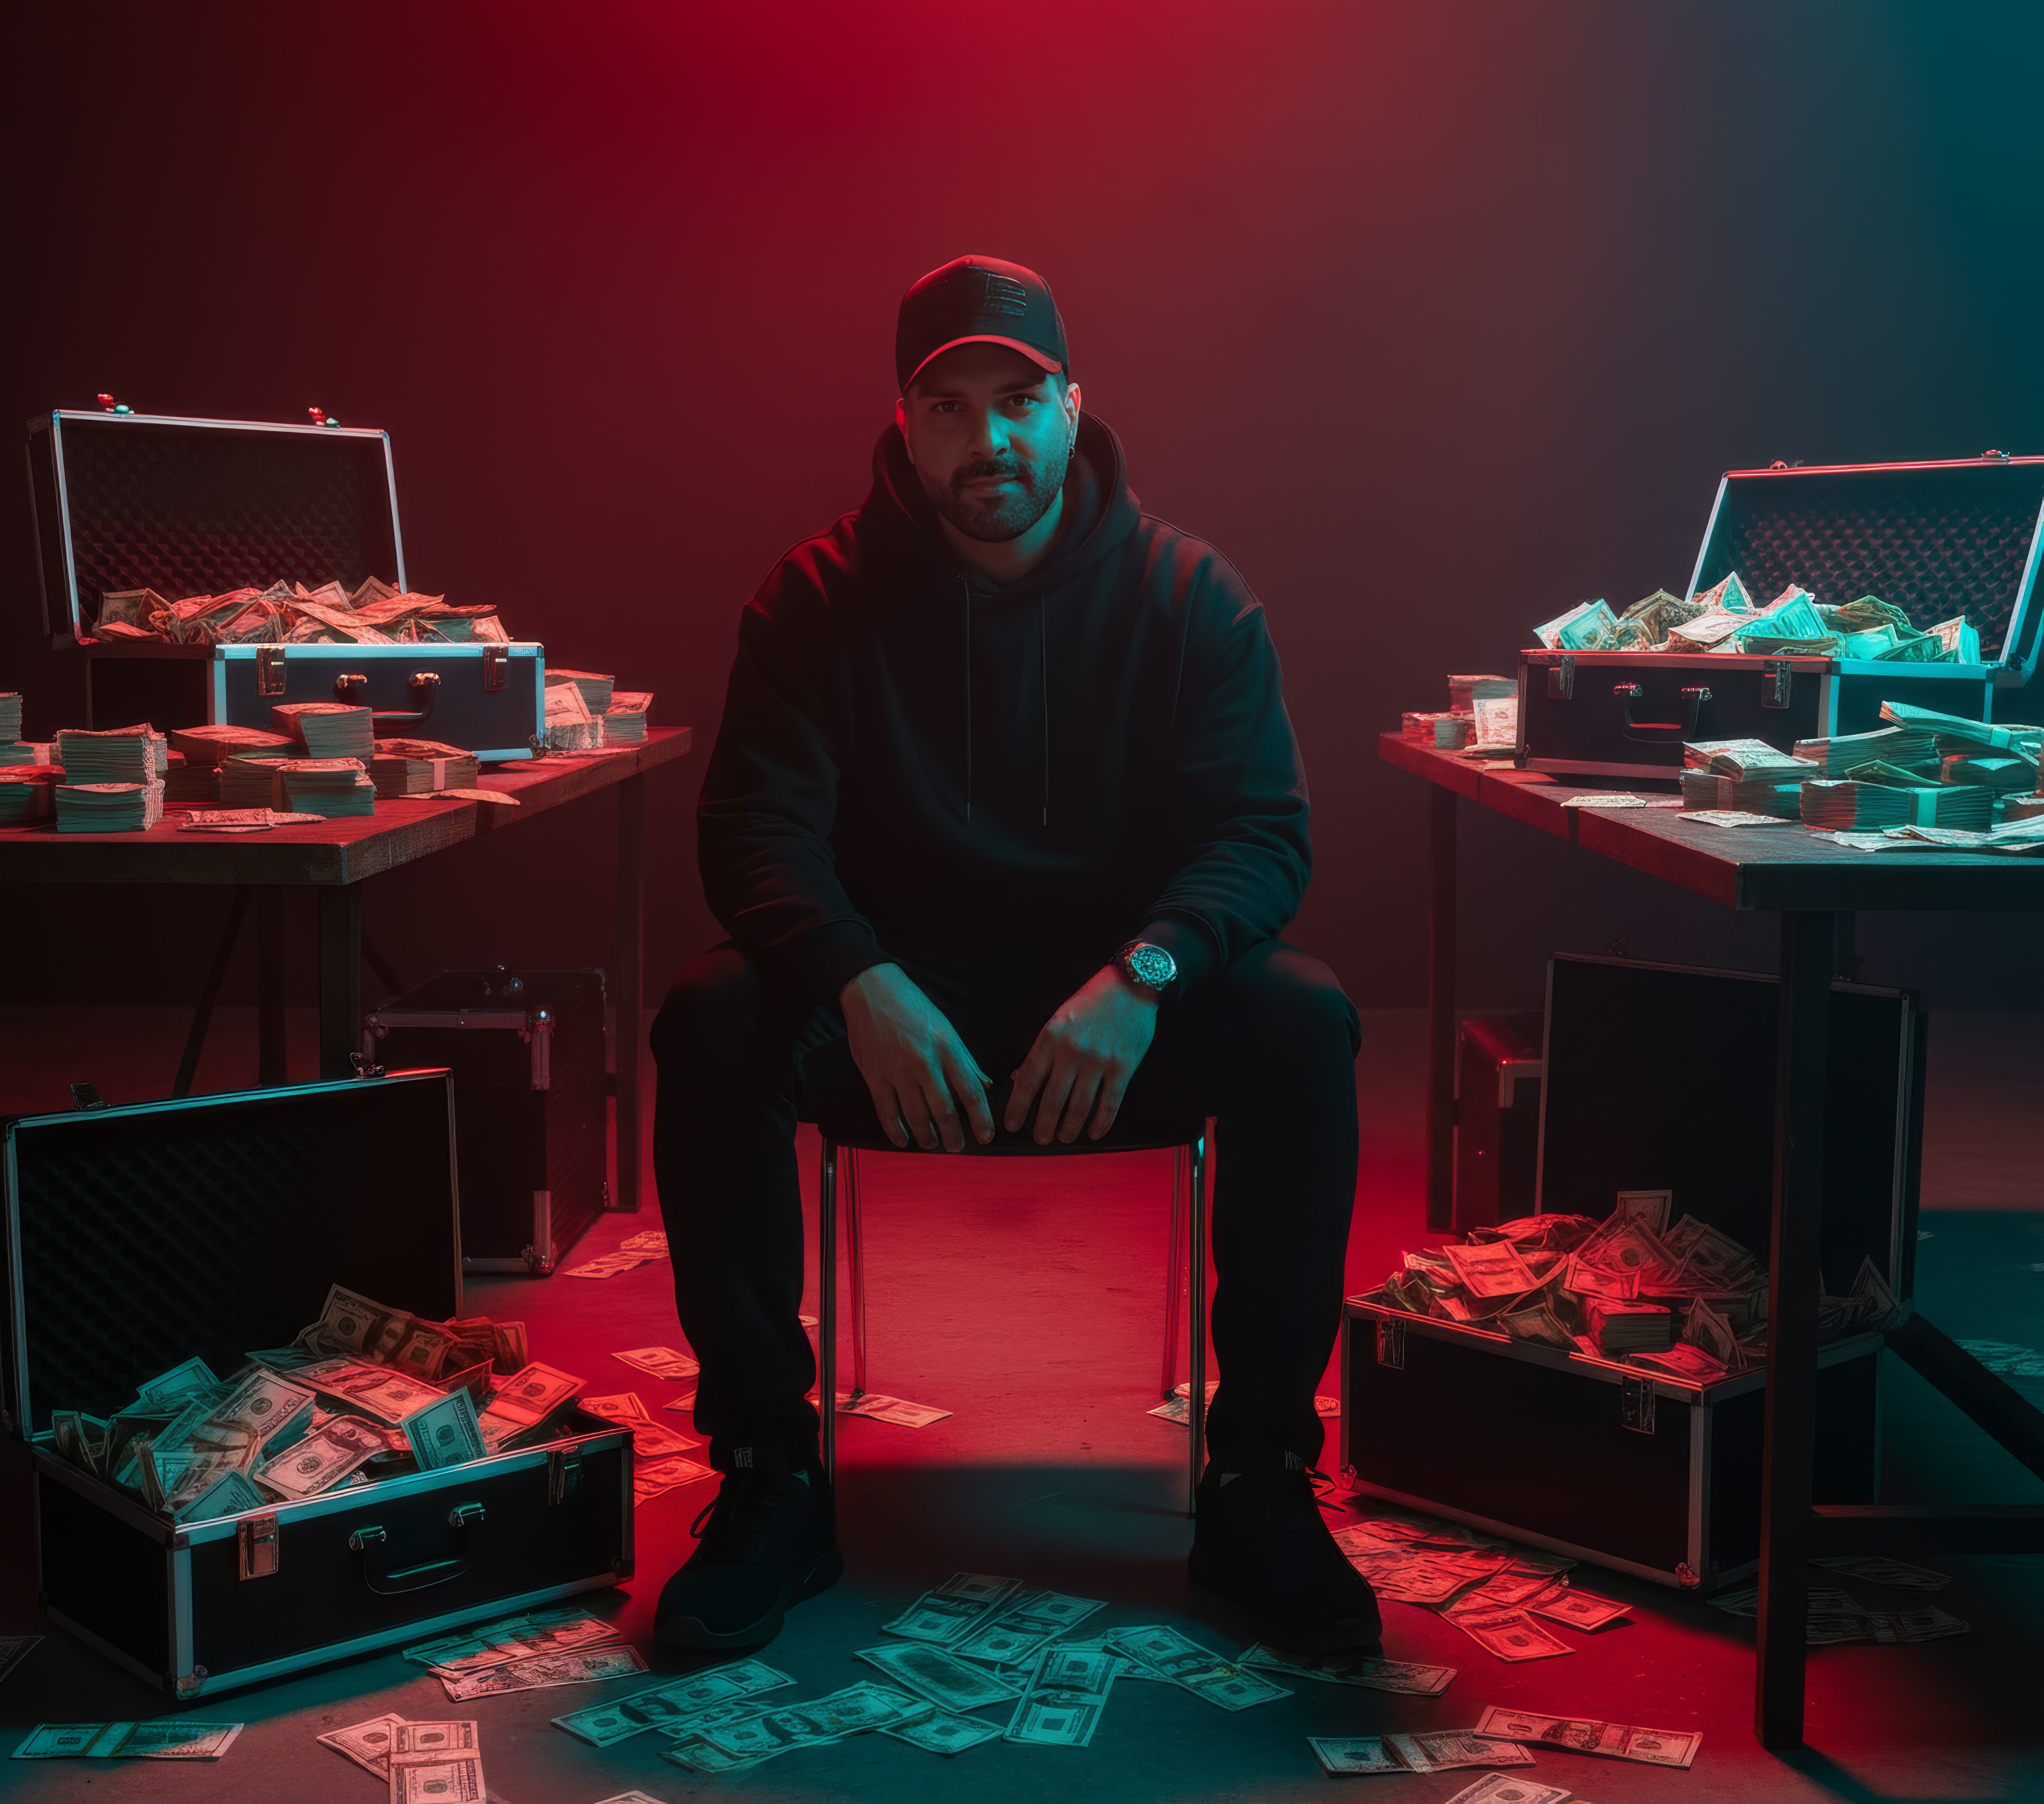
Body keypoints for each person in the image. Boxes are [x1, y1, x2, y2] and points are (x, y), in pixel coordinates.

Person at [651, 254, 1373, 1654]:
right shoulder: (812, 598)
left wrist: (1143, 978)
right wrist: (857, 980)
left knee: (1302, 1016)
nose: (989, 439)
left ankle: (1258, 1483)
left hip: (1113, 1022)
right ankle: (770, 1479)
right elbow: (754, 835)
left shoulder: (1188, 595)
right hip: (894, 1016)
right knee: (713, 1013)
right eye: (951, 407)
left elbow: (1261, 835)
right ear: (906, 424)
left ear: (1072, 408)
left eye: (1019, 400)